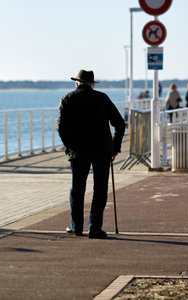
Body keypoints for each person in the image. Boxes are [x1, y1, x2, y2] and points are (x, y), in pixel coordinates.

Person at [57, 70, 125, 239]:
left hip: (78, 151)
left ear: (77, 83)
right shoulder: (102, 98)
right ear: (92, 84)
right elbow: (120, 124)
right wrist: (115, 148)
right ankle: (94, 228)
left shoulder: (67, 98)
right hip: (103, 150)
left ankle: (76, 227)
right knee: (100, 188)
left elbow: (61, 128)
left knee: (77, 189)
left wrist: (69, 147)